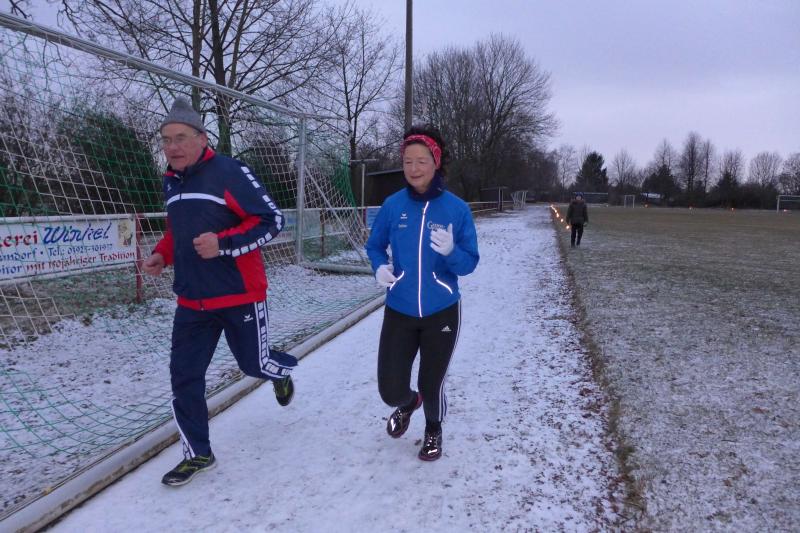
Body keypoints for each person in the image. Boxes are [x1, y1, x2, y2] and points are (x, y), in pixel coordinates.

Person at [142, 97, 297, 486]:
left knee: (253, 365)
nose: (172, 147)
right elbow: (178, 230)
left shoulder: (230, 171)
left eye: (180, 137)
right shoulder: (171, 181)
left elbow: (271, 220)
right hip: (191, 301)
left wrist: (223, 244)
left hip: (239, 294)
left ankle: (280, 372)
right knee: (184, 377)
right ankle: (198, 453)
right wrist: (162, 254)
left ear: (201, 138)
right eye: (166, 140)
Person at [365, 126, 479, 461]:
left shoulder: (456, 209)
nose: (414, 168)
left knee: (432, 383)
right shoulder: (393, 205)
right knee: (390, 389)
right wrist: (378, 266)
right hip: (399, 309)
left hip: (441, 310)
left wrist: (451, 252)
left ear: (436, 162)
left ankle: (433, 429)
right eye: (407, 161)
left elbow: (469, 263)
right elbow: (374, 246)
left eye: (421, 161)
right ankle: (408, 403)